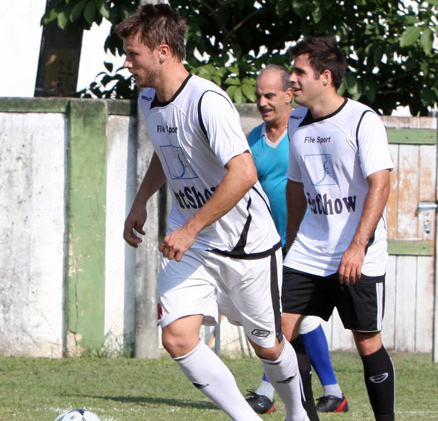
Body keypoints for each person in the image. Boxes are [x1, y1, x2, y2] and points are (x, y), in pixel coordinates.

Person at [116, 5, 308, 421]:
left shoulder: (207, 100)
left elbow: (243, 173)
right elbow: (167, 154)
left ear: (163, 51)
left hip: (247, 246)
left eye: (133, 54)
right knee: (178, 337)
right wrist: (140, 201)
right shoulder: (149, 99)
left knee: (268, 346)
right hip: (198, 244)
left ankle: (299, 411)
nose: (126, 62)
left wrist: (189, 227)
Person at [282, 36, 395, 421]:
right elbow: (295, 185)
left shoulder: (362, 120)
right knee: (282, 331)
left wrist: (357, 246)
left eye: (299, 72)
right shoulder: (296, 120)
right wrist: (291, 242)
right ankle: (305, 416)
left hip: (356, 251)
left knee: (366, 342)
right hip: (309, 249)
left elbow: (380, 183)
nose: (291, 80)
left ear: (325, 77)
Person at [245, 65, 348, 418]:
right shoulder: (252, 141)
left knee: (283, 319)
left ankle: (265, 392)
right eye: (258, 96)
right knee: (299, 321)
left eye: (269, 95)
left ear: (289, 95)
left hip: (307, 245)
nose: (262, 102)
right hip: (270, 245)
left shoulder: (305, 134)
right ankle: (333, 392)